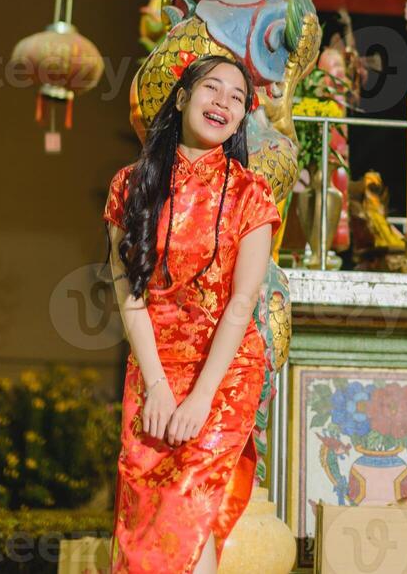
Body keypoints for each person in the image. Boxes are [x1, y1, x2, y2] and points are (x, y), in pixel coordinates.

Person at [104, 54, 281, 573]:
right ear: (182, 98)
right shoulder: (130, 186)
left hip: (224, 375)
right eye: (212, 88)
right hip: (153, 368)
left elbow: (242, 303)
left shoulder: (251, 194)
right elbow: (128, 293)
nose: (223, 102)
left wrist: (202, 398)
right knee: (147, 515)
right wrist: (157, 385)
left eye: (236, 97)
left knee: (192, 501)